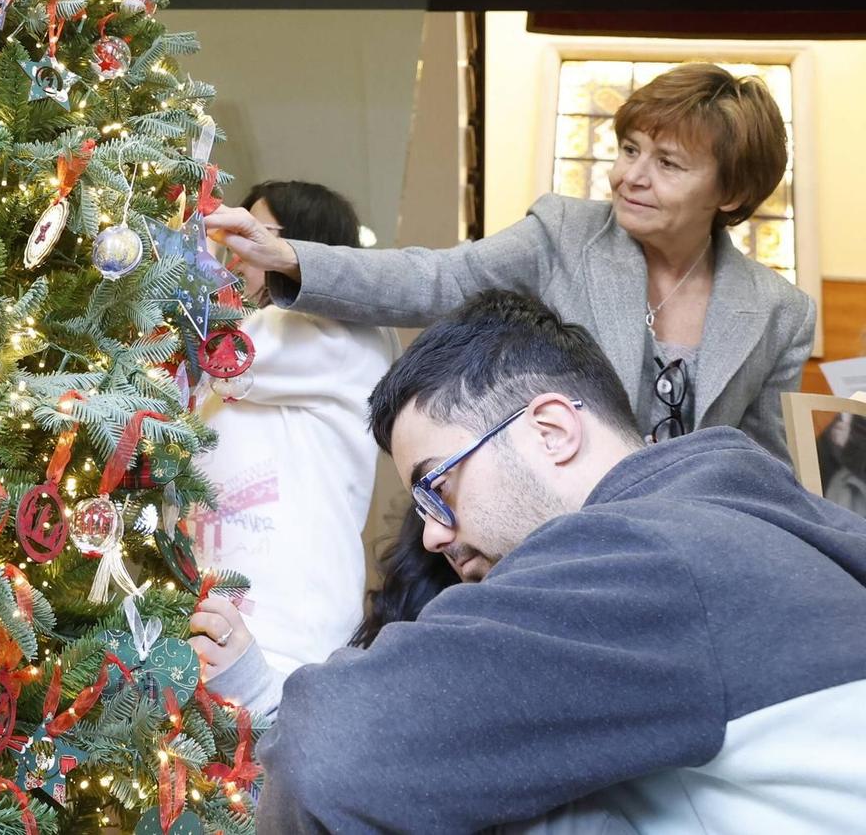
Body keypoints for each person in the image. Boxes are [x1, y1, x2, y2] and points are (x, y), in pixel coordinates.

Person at [231, 289, 866, 833]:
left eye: (437, 485)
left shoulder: (647, 554)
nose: (429, 537)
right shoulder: (742, 522)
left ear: (552, 430)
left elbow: (325, 753)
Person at [203, 63, 814, 458]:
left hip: (683, 558)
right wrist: (288, 256)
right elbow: (436, 278)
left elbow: (763, 465)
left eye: (669, 164)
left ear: (730, 193)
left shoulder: (780, 314)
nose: (632, 176)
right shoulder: (564, 234)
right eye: (630, 149)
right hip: (553, 539)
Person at [194, 181, 400, 678]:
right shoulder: (252, 340)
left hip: (291, 629)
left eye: (251, 238)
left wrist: (184, 256)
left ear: (302, 247)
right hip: (214, 616)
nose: (234, 259)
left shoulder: (347, 333)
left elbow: (225, 354)